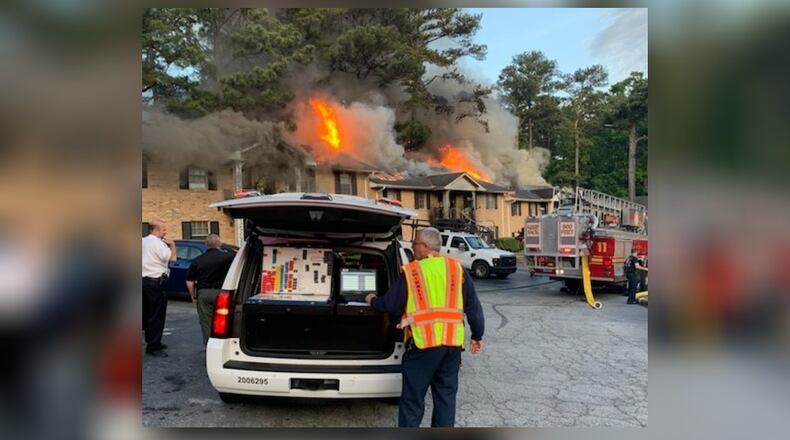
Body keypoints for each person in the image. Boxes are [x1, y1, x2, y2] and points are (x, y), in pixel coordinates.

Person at [365, 227, 485, 427]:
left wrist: (372, 299)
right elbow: (473, 306)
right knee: (446, 399)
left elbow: (390, 305)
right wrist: (477, 336)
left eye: (414, 244)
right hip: (451, 347)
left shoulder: (413, 271)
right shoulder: (457, 269)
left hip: (423, 346)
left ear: (425, 247)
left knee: (413, 401)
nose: (412, 248)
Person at [186, 234, 235, 345]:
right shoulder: (227, 257)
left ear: (206, 245)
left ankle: (209, 345)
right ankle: (223, 343)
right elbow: (237, 253)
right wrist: (225, 246)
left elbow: (189, 281)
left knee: (206, 322)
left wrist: (193, 296)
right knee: (224, 319)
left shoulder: (198, 260)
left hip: (204, 293)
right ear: (219, 244)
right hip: (222, 293)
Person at [142, 220, 176, 357]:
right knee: (157, 315)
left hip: (143, 281)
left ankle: (152, 341)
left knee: (147, 314)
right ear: (156, 229)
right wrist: (173, 245)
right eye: (163, 229)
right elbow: (172, 258)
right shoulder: (158, 244)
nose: (165, 232)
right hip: (156, 283)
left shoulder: (142, 241)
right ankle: (154, 346)